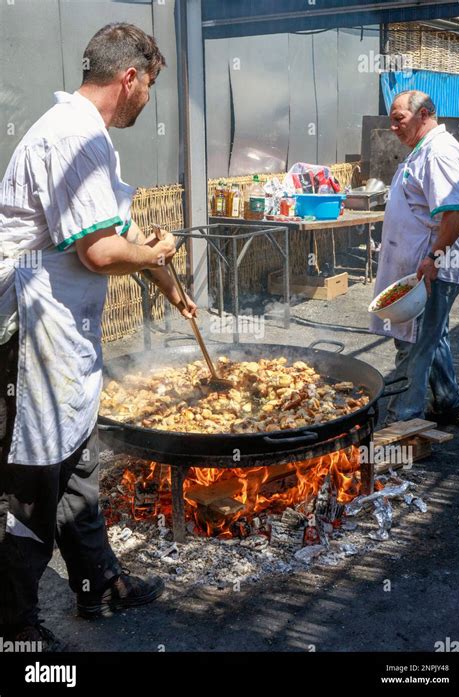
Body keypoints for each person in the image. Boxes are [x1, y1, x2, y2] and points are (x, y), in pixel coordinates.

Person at [0, 23, 196, 650]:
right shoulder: (76, 139)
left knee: (79, 466)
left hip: (65, 335)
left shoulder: (89, 136)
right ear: (130, 78)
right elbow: (100, 251)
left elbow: (122, 226)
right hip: (33, 337)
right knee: (31, 485)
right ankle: (16, 627)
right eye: (151, 86)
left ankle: (96, 586)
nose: (149, 100)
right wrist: (154, 252)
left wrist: (170, 285)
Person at [370, 90, 459, 426]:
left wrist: (432, 257)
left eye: (399, 119)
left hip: (433, 268)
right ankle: (448, 403)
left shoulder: (439, 153)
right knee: (432, 334)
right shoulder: (420, 151)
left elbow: (456, 213)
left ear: (424, 114)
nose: (394, 128)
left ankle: (403, 420)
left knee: (414, 343)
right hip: (422, 265)